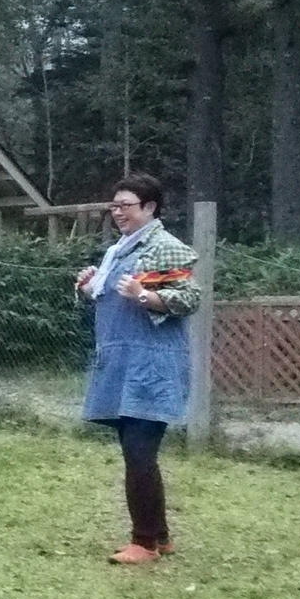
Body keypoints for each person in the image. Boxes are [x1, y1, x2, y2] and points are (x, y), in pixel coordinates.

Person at [73, 174, 197, 564]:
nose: (118, 213)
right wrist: (90, 286)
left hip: (151, 364)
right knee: (136, 453)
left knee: (140, 453)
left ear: (150, 208)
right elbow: (110, 298)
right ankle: (159, 536)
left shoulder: (165, 247)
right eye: (114, 206)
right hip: (122, 363)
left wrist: (145, 295)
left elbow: (190, 298)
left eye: (125, 206)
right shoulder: (119, 250)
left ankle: (143, 542)